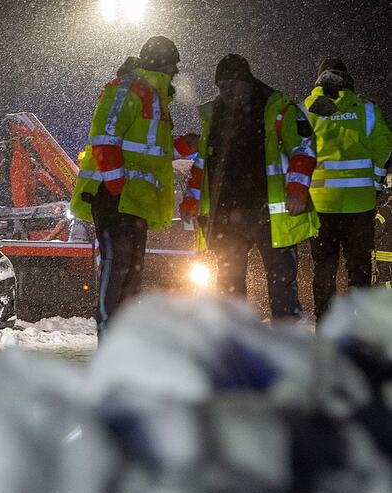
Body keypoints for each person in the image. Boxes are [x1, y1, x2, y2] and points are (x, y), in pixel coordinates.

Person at [179, 54, 319, 319]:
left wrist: (297, 190)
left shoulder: (279, 108)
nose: (225, 92)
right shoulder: (213, 114)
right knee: (229, 288)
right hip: (225, 215)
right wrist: (191, 200)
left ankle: (283, 345)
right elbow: (203, 163)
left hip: (269, 214)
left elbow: (303, 149)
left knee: (281, 286)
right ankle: (236, 345)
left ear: (247, 81)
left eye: (231, 84)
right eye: (221, 86)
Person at [70, 36, 184, 337]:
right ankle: (109, 344)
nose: (176, 72)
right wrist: (118, 186)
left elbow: (152, 150)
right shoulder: (128, 88)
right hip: (115, 198)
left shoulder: (155, 98)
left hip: (134, 202)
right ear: (163, 64)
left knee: (131, 278)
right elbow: (104, 138)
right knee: (117, 272)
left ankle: (124, 346)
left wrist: (185, 146)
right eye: (173, 65)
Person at [304, 58, 392, 317]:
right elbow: (384, 148)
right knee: (359, 269)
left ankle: (326, 328)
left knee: (324, 270)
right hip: (359, 205)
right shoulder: (366, 109)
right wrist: (375, 183)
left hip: (321, 206)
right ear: (346, 77)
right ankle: (358, 331)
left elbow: (295, 152)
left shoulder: (307, 110)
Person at [375, 179, 392, 288]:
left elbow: (376, 229)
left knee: (384, 283)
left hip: (384, 254)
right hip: (386, 253)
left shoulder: (387, 209)